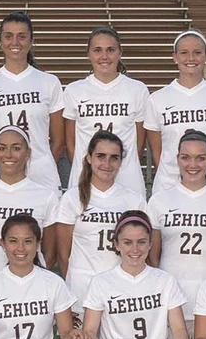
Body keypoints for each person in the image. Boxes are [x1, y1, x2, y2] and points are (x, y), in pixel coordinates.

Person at [79, 212, 196, 339]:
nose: (135, 249)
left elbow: (179, 328)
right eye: (127, 242)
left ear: (150, 244)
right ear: (116, 244)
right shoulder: (101, 282)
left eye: (141, 242)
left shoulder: (165, 280)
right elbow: (90, 331)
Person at [146, 129, 206, 339]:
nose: (193, 165)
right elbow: (152, 256)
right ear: (177, 159)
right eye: (186, 157)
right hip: (172, 299)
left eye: (200, 158)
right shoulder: (159, 201)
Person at [0, 11, 65, 190]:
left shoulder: (49, 82)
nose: (15, 42)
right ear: (0, 41)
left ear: (31, 40)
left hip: (41, 177)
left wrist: (42, 164)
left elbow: (59, 140)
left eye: (21, 36)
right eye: (8, 36)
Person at [53, 130, 147, 312]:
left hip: (121, 287)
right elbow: (63, 254)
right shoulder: (72, 198)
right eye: (100, 156)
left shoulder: (134, 200)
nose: (107, 163)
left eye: (114, 158)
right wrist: (71, 286)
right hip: (82, 286)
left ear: (121, 161)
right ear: (89, 158)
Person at [0, 125, 61, 282]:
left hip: (31, 286)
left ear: (28, 153)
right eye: (2, 148)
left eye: (16, 148)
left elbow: (49, 252)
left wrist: (31, 279)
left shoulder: (46, 197)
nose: (8, 154)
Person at [145, 30, 206, 192]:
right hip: (169, 186)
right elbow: (158, 152)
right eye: (184, 53)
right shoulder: (157, 99)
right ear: (175, 57)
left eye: (197, 53)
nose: (191, 58)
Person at [62, 27, 149, 194]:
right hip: (86, 178)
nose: (104, 56)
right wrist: (90, 167)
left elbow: (139, 144)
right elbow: (71, 143)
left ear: (120, 53)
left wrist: (120, 164)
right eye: (97, 50)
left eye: (110, 50)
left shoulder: (137, 90)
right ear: (89, 54)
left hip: (127, 179)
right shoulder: (74, 91)